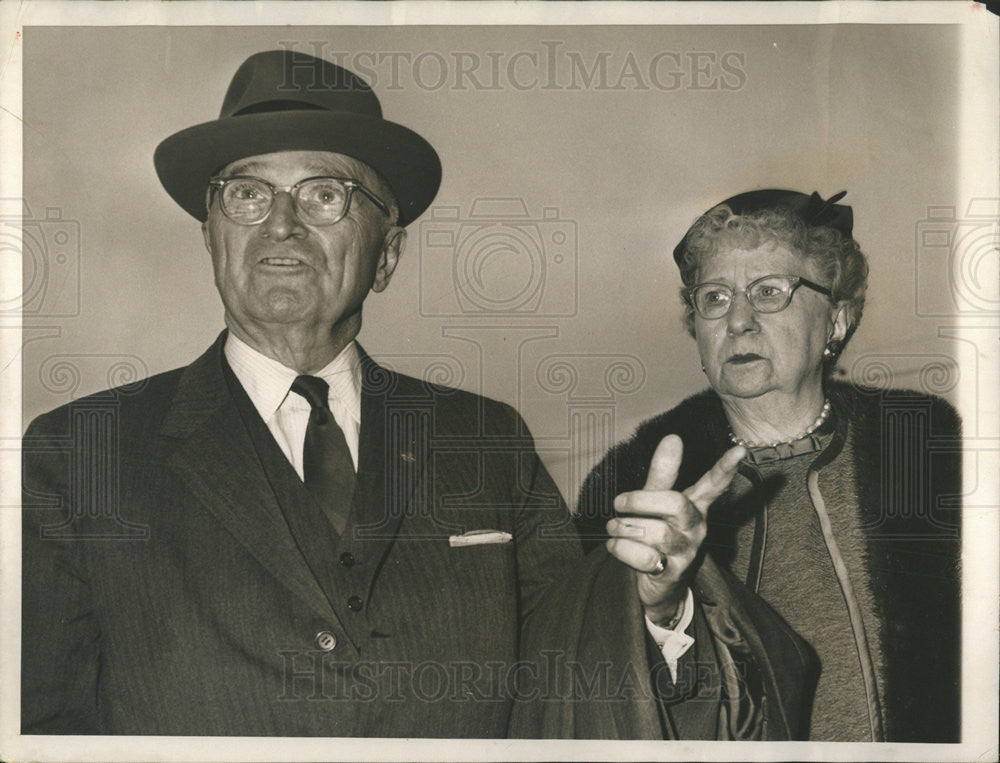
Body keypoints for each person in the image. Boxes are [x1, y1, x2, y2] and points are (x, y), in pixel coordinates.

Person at [21, 49, 582, 737]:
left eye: (324, 193)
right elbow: (38, 728)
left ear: (387, 254)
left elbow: (576, 683)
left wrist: (658, 603)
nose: (280, 224)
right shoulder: (80, 453)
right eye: (248, 193)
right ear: (211, 236)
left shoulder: (488, 441)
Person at [572, 189, 962, 742]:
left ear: (837, 321)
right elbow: (595, 701)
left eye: (769, 291)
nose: (738, 321)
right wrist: (659, 608)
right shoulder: (629, 490)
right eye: (714, 298)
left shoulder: (931, 447)